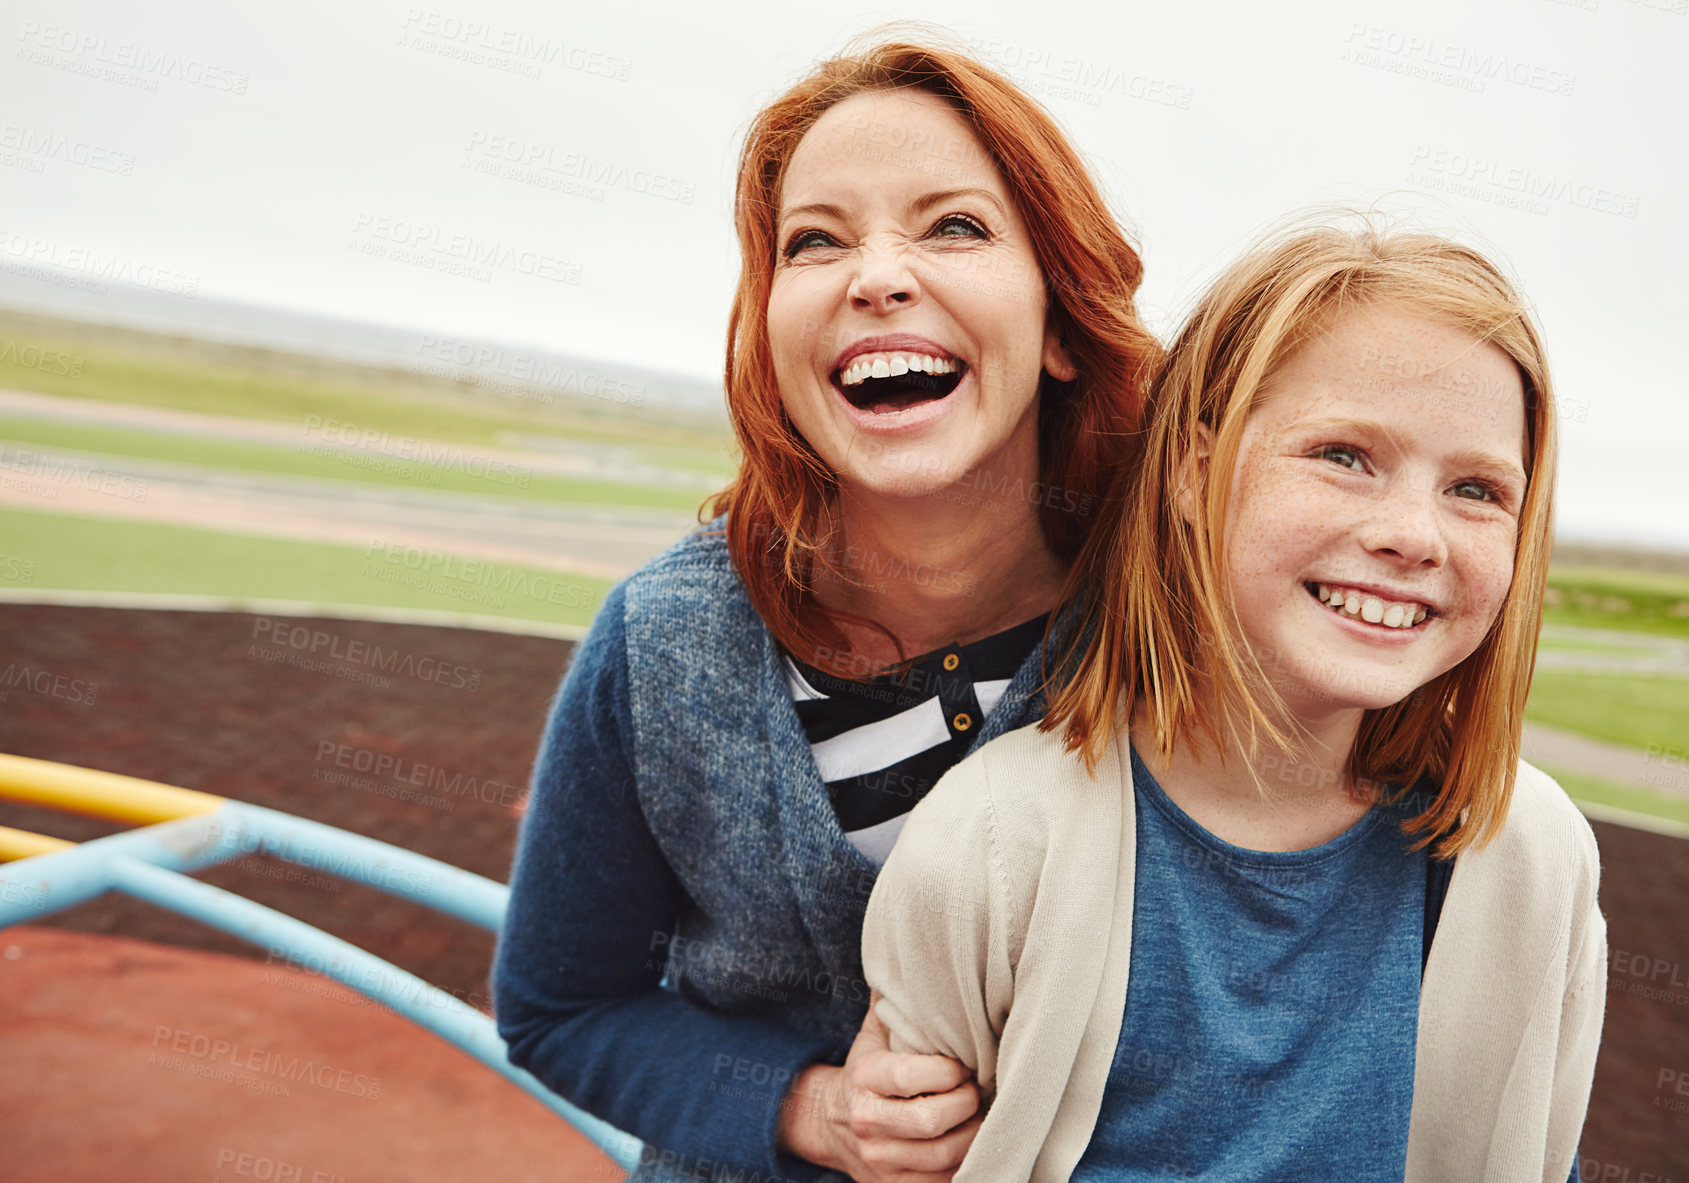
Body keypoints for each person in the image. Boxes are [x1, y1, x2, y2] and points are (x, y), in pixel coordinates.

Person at [492, 33, 1159, 1183]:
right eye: (815, 241)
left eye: (954, 225)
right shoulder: (665, 639)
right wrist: (811, 1109)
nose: (877, 275)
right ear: (770, 327)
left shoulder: (1179, 628)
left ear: (1060, 319)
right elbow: (560, 1005)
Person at [863, 218, 1605, 1182]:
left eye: (1475, 488)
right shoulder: (994, 844)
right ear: (1191, 468)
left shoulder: (1533, 858)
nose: (1414, 534)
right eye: (1343, 454)